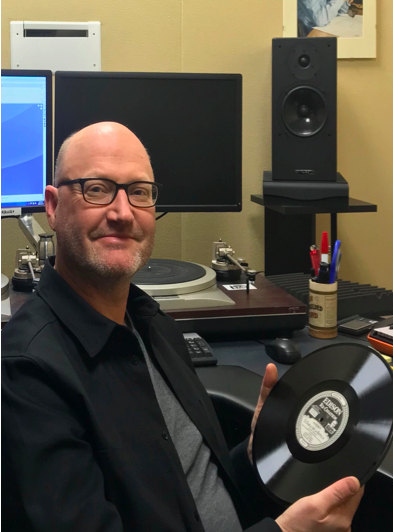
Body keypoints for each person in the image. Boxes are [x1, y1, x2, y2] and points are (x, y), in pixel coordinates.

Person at [2, 122, 363, 531]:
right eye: (97, 189)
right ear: (52, 207)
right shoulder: (26, 374)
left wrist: (253, 456)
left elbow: (193, 489)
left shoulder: (152, 324)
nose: (122, 213)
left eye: (139, 192)